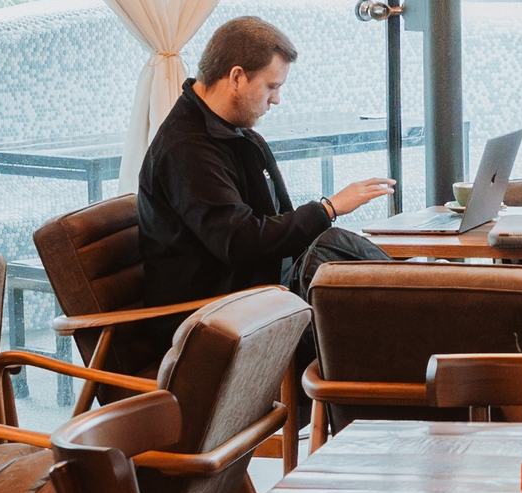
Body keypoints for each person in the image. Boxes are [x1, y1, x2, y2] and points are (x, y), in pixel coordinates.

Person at [140, 16, 393, 311]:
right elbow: (240, 241)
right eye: (271, 86)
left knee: (337, 258)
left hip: (258, 292)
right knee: (355, 295)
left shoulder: (237, 134)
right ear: (236, 77)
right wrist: (328, 209)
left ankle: (416, 294)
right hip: (215, 311)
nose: (276, 100)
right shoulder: (186, 149)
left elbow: (275, 219)